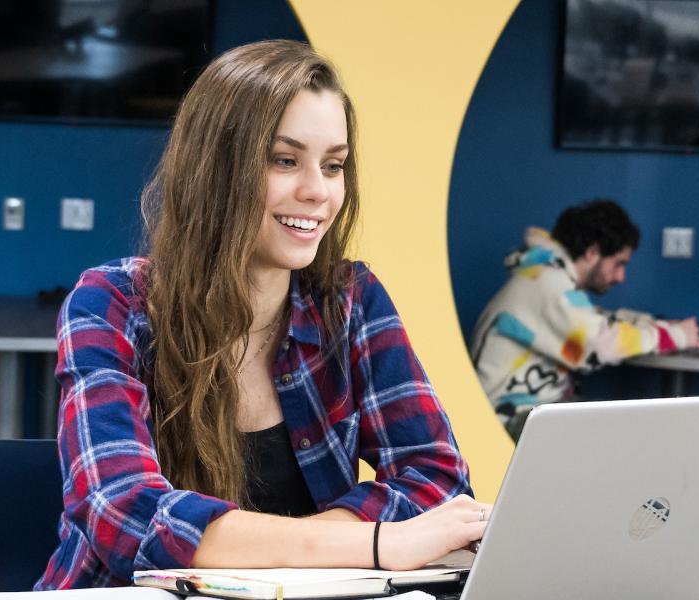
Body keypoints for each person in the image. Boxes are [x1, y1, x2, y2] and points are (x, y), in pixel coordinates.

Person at [35, 40, 489, 589]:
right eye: (284, 160)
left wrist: (309, 550)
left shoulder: (351, 300)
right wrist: (372, 543)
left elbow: (438, 479)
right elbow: (123, 513)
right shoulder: (109, 303)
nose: (317, 191)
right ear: (215, 169)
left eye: (334, 165)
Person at [468, 199, 699, 434]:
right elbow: (601, 343)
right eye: (618, 264)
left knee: (625, 423)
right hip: (506, 419)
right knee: (631, 430)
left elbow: (596, 319)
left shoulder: (547, 278)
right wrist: (677, 336)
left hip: (534, 409)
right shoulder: (546, 283)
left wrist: (654, 325)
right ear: (592, 252)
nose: (621, 276)